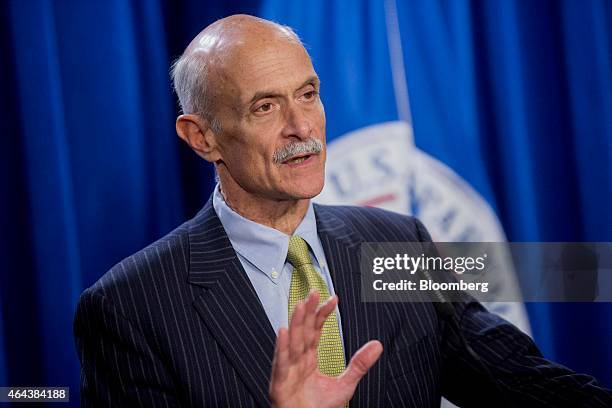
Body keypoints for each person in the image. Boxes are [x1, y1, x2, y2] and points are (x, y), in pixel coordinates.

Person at [73, 14, 612, 407]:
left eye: (307, 94)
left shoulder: (400, 244)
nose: (302, 127)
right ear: (202, 138)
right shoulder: (130, 307)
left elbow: (519, 379)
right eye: (265, 107)